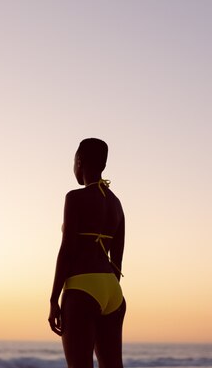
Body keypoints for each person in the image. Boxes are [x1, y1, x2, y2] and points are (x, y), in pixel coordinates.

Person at [49, 138, 126, 368]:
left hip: (82, 288)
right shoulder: (117, 203)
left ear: (79, 161)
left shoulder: (75, 197)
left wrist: (54, 299)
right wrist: (106, 289)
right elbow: (118, 260)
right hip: (113, 291)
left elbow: (67, 249)